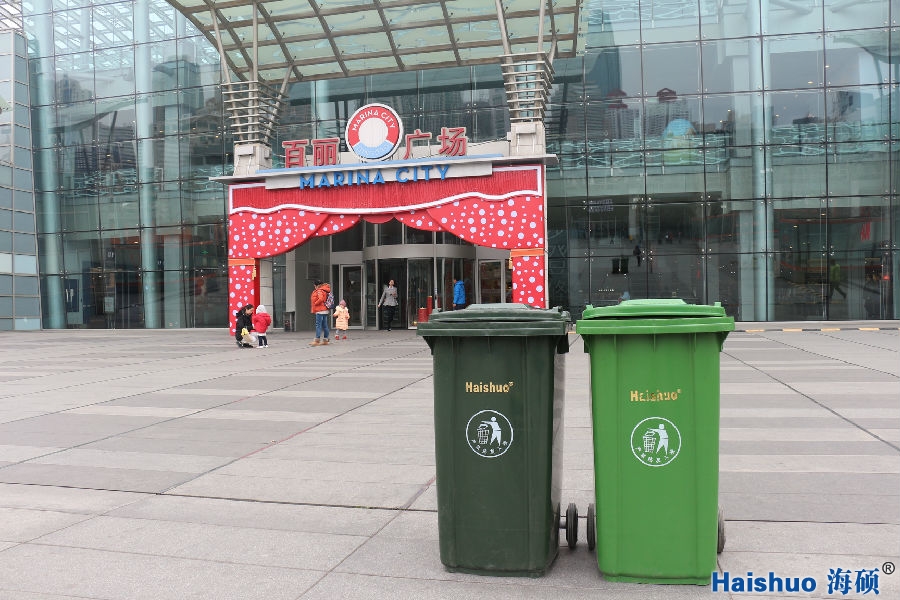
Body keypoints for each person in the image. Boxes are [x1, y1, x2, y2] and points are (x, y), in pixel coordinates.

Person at [309, 280, 331, 346]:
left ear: (317, 285)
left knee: (318, 325)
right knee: (325, 325)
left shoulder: (319, 290)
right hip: (324, 310)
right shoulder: (325, 289)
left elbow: (321, 299)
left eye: (314, 285)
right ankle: (325, 340)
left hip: (320, 310)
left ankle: (317, 340)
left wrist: (315, 303)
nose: (314, 287)